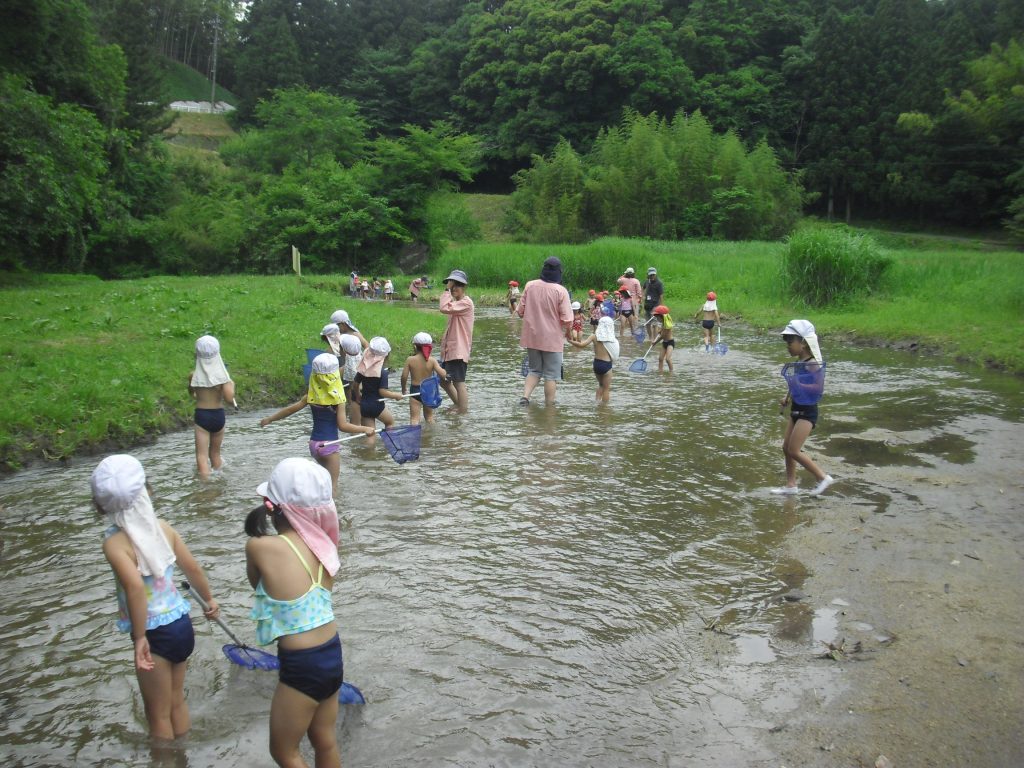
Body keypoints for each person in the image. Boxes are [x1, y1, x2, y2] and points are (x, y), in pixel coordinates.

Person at [92, 454, 219, 741]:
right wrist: (209, 601)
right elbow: (193, 567)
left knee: (157, 712)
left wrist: (139, 638)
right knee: (176, 701)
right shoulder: (163, 528)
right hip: (181, 624)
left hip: (153, 632)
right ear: (147, 490)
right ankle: (183, 752)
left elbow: (135, 589)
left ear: (100, 505)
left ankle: (165, 758)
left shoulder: (114, 544)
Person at [246, 458, 346, 768]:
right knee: (324, 740)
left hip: (301, 665)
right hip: (331, 655)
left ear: (272, 506)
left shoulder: (260, 547)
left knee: (284, 752)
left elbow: (258, 585)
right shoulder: (325, 548)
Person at [258, 353, 375, 491]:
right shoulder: (338, 400)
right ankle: (331, 511)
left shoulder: (310, 396)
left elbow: (290, 410)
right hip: (329, 446)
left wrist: (270, 419)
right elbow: (343, 426)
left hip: (314, 445)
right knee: (332, 487)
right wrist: (364, 429)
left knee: (321, 484)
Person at [772, 320, 835, 496]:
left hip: (808, 412)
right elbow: (794, 385)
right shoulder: (799, 363)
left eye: (790, 342)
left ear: (804, 343)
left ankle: (822, 477)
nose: (788, 347)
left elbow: (818, 388)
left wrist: (798, 383)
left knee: (794, 450)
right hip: (796, 409)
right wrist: (787, 397)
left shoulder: (812, 363)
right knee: (786, 448)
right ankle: (791, 485)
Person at [517, 256, 573, 406]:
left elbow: (520, 312)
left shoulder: (530, 285)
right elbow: (567, 319)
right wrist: (568, 333)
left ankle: (525, 397)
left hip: (532, 337)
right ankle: (549, 408)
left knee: (534, 370)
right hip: (552, 340)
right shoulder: (561, 291)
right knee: (551, 375)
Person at [188, 335, 236, 478]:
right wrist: (231, 386)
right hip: (218, 416)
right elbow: (229, 399)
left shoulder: (193, 375)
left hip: (202, 415)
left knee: (201, 457)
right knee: (215, 453)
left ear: (197, 354)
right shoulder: (224, 378)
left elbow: (193, 394)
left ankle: (206, 487)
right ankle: (219, 478)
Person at [439, 269, 475, 413]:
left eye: (457, 285)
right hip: (450, 351)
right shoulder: (457, 303)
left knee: (458, 382)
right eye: (452, 285)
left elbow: (443, 308)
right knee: (443, 380)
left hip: (458, 351)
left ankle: (463, 410)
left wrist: (447, 290)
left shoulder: (465, 303)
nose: (454, 288)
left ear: (464, 287)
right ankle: (459, 405)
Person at [352, 336, 405, 431]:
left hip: (364, 405)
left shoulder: (363, 369)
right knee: (390, 422)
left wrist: (357, 395)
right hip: (377, 405)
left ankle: (369, 446)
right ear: (386, 355)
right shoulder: (383, 372)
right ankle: (388, 444)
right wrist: (395, 395)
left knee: (370, 432)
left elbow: (355, 385)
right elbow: (382, 392)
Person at [569, 315, 619, 403]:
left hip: (596, 364)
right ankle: (604, 408)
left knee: (600, 385)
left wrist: (570, 341)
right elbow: (615, 354)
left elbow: (581, 345)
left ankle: (597, 403)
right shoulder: (612, 339)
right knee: (606, 388)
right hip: (606, 365)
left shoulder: (594, 336)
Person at [401, 332, 448, 425]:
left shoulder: (410, 359)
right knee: (430, 418)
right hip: (428, 391)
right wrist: (444, 371)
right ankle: (433, 437)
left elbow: (404, 376)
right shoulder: (432, 360)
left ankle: (415, 436)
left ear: (415, 346)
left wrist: (403, 389)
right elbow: (443, 374)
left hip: (415, 390)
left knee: (414, 419)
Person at [651, 304, 675, 372]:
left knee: (667, 359)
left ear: (662, 316)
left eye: (658, 317)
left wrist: (655, 342)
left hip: (670, 343)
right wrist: (660, 331)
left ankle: (671, 372)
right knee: (660, 359)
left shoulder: (667, 324)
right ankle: (660, 371)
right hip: (664, 343)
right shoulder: (664, 323)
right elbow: (662, 332)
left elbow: (662, 336)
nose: (657, 319)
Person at [642, 267, 664, 340]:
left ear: (655, 274)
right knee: (648, 324)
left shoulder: (659, 283)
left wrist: (660, 308)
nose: (652, 277)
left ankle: (654, 339)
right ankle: (650, 338)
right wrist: (642, 297)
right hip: (647, 305)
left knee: (654, 324)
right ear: (648, 275)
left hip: (655, 306)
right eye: (650, 275)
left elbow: (661, 296)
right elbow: (643, 288)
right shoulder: (647, 282)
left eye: (653, 275)